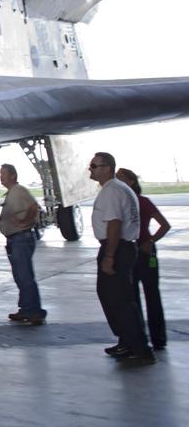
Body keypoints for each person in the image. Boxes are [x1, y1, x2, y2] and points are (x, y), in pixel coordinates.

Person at [89, 152, 155, 366]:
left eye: (94, 166)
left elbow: (114, 223)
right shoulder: (120, 189)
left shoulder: (111, 191)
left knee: (118, 299)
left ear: (107, 168)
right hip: (122, 247)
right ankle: (127, 342)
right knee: (116, 297)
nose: (90, 169)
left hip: (116, 248)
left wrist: (109, 255)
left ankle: (139, 348)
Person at [116, 167, 170, 351]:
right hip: (127, 250)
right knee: (131, 298)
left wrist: (151, 241)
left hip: (144, 251)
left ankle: (158, 338)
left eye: (121, 178)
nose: (118, 181)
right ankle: (138, 338)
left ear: (132, 182)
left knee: (151, 295)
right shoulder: (119, 202)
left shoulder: (142, 202)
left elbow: (164, 225)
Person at [0, 164, 45, 324]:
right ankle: (26, 308)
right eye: (0, 174)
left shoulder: (19, 190)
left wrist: (25, 220)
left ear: (13, 175)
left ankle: (34, 311)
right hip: (15, 238)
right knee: (20, 275)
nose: (1, 177)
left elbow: (34, 207)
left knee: (24, 275)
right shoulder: (12, 192)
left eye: (3, 173)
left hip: (21, 238)